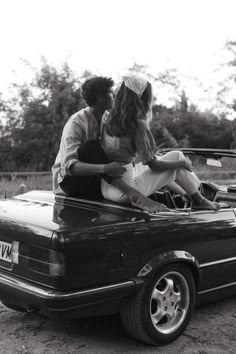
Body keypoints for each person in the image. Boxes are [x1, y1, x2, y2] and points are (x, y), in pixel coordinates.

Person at [101, 75, 220, 210]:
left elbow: (144, 162)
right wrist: (183, 163)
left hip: (107, 189)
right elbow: (154, 166)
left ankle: (191, 195)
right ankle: (199, 199)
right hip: (126, 193)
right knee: (177, 156)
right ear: (142, 99)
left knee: (170, 163)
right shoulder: (137, 125)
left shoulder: (108, 120)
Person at [52, 76, 167, 212]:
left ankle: (138, 193)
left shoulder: (107, 118)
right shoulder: (76, 123)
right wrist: (105, 168)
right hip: (68, 182)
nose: (114, 95)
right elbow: (71, 168)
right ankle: (134, 195)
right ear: (101, 97)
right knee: (92, 146)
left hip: (94, 180)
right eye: (111, 92)